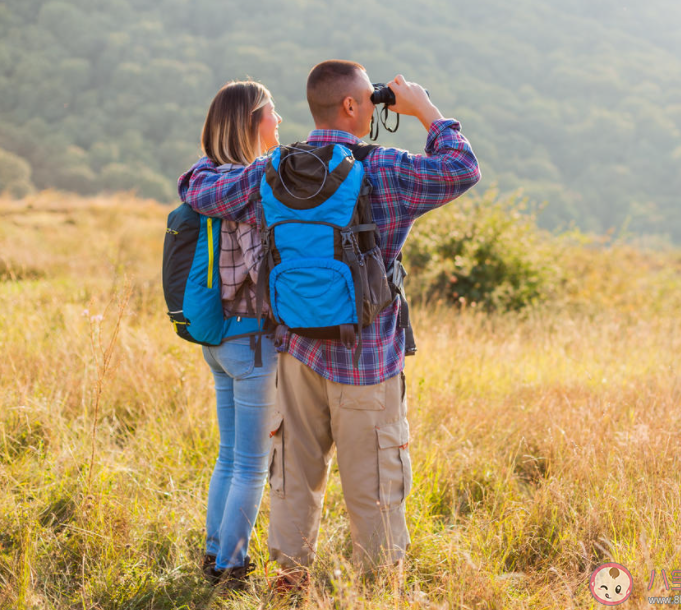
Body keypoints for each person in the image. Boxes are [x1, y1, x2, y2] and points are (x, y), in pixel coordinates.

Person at [178, 60, 480, 589]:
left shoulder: (275, 170)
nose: (373, 105)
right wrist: (424, 110)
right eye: (369, 99)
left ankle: (289, 581)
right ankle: (378, 588)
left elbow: (196, 186)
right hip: (367, 360)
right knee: (375, 484)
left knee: (294, 476)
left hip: (297, 353)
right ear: (350, 106)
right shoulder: (385, 168)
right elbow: (461, 169)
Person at [177, 80, 283, 589]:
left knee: (228, 457)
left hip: (218, 340)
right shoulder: (251, 183)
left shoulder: (202, 178)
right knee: (251, 465)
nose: (279, 122)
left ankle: (215, 553)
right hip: (253, 340)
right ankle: (233, 568)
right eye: (272, 113)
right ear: (250, 121)